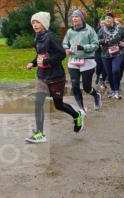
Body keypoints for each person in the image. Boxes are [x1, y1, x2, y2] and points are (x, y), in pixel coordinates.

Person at [25, 12, 84, 143]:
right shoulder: (37, 38)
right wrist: (33, 63)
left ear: (44, 24)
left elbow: (61, 54)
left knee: (59, 105)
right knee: (38, 103)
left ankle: (77, 115)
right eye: (33, 23)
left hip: (56, 77)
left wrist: (46, 62)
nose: (35, 25)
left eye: (37, 22)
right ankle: (40, 133)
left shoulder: (50, 37)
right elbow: (40, 55)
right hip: (42, 76)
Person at [63, 9, 102, 113]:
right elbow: (65, 43)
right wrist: (66, 49)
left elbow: (96, 45)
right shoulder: (70, 31)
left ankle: (96, 95)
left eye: (77, 17)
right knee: (75, 85)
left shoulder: (90, 30)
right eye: (73, 17)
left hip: (87, 61)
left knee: (86, 87)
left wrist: (83, 47)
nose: (74, 19)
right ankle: (81, 108)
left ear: (82, 18)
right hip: (73, 61)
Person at [97, 12, 124, 99]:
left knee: (115, 70)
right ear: (104, 20)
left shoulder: (120, 29)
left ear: (113, 19)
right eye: (106, 18)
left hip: (118, 53)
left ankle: (117, 91)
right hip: (106, 54)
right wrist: (103, 41)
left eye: (109, 18)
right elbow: (97, 40)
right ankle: (113, 91)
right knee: (109, 74)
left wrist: (123, 42)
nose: (108, 20)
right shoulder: (101, 30)